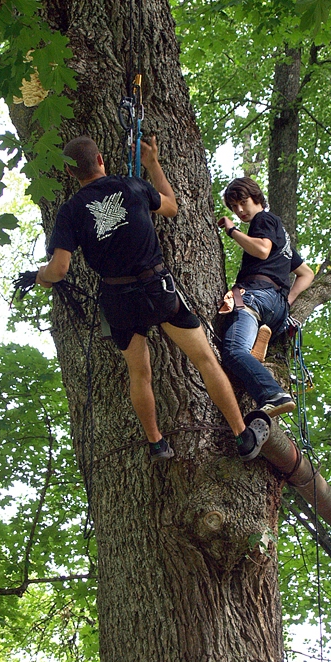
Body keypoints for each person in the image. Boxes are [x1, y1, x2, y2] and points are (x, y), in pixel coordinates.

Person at [35, 136, 269, 462]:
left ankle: (156, 443)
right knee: (205, 360)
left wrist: (41, 276)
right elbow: (171, 206)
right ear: (100, 159)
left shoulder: (70, 211)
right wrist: (152, 163)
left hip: (117, 299)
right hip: (157, 288)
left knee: (139, 373)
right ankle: (242, 435)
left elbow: (59, 269)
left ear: (70, 172)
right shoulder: (132, 185)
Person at [217, 177, 314, 417]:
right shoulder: (281, 237)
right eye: (234, 207)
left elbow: (261, 250)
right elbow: (306, 273)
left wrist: (232, 230)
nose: (240, 210)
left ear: (257, 198)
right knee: (241, 350)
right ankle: (257, 345)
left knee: (232, 351)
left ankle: (273, 394)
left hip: (255, 296)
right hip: (275, 309)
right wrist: (287, 301)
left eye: (243, 202)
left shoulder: (264, 219)